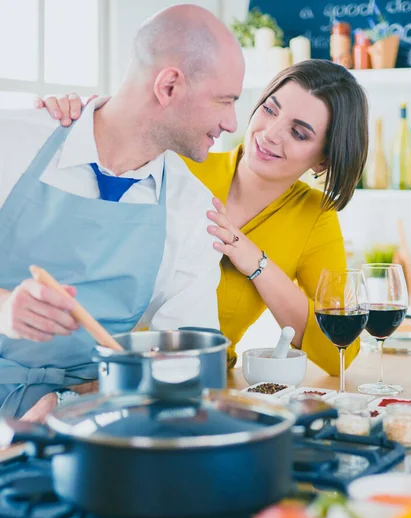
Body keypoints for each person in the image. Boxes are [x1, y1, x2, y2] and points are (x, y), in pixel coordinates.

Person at [44, 59, 368, 374]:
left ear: (323, 160)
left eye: (299, 133)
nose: (270, 134)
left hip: (204, 382)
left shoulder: (314, 217)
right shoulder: (181, 163)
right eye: (270, 110)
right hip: (103, 367)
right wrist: (83, 119)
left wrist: (257, 263)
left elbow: (338, 352)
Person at [0, 5, 244, 420]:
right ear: (168, 86)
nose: (232, 122)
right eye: (225, 101)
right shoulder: (12, 141)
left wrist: (73, 403)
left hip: (94, 418)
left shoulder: (194, 209)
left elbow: (189, 361)